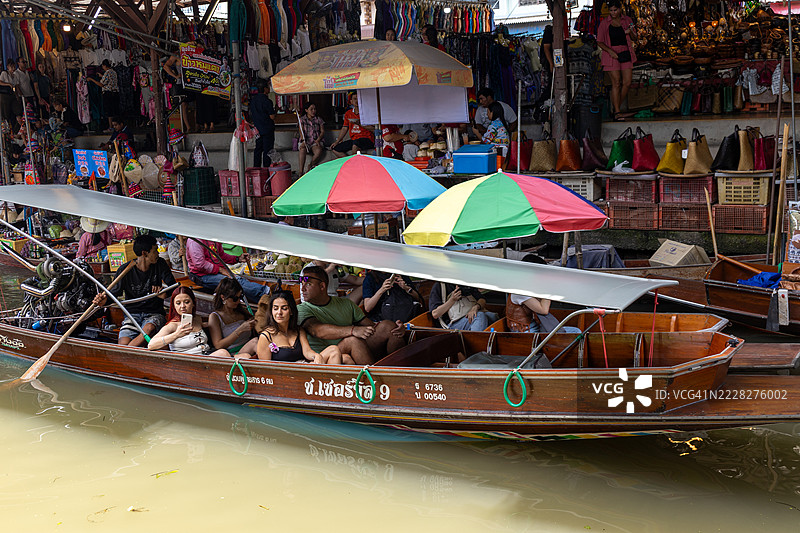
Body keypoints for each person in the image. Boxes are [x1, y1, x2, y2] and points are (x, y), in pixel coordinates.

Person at [297, 265, 405, 365]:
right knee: (353, 341)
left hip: (355, 349)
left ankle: (399, 372)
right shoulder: (302, 309)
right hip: (325, 356)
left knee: (388, 327)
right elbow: (317, 331)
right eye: (302, 284)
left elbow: (371, 327)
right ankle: (375, 377)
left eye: (308, 284)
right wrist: (353, 330)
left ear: (322, 286)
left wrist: (398, 328)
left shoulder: (346, 304)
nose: (302, 289)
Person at [92, 234, 177, 346]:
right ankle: (126, 350)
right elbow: (113, 294)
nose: (158, 253)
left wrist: (164, 293)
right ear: (144, 253)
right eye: (155, 250)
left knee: (149, 329)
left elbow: (173, 286)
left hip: (154, 314)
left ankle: (127, 351)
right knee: (123, 343)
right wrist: (104, 301)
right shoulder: (125, 270)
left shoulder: (160, 264)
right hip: (132, 315)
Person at [255, 291, 349, 364]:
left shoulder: (298, 330)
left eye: (284, 308)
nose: (279, 312)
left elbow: (307, 352)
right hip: (284, 376)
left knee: (334, 350)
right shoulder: (266, 336)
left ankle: (331, 383)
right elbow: (266, 370)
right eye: (275, 308)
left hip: (302, 368)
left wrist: (316, 356)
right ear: (271, 311)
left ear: (291, 311)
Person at [147, 287, 231, 357]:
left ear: (193, 302)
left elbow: (207, 325)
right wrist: (176, 334)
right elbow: (151, 345)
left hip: (206, 356)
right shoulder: (173, 325)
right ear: (174, 306)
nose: (182, 306)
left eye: (186, 302)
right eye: (178, 303)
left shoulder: (197, 319)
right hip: (188, 363)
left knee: (235, 355)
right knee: (223, 353)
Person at [185, 238, 270, 303]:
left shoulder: (213, 238)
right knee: (234, 282)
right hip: (202, 276)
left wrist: (237, 259)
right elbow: (200, 264)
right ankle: (267, 292)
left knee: (240, 281)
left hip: (216, 272)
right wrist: (220, 270)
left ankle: (262, 301)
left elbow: (221, 256)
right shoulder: (195, 241)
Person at [597, 0, 637, 121]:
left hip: (625, 52)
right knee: (616, 82)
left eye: (615, 10)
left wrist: (630, 32)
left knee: (627, 82)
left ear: (620, 9)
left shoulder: (627, 20)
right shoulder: (604, 23)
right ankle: (618, 112)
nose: (613, 13)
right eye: (611, 10)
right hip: (611, 54)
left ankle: (615, 109)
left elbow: (635, 37)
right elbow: (599, 41)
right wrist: (610, 51)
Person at [207, 277, 257, 357]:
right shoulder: (215, 317)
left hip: (249, 347)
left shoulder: (241, 311)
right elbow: (218, 345)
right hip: (231, 354)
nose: (238, 301)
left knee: (257, 341)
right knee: (254, 343)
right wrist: (240, 330)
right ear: (223, 297)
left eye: (240, 297)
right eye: (235, 298)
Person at [428, 282, 498, 331]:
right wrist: (452, 300)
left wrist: (476, 307)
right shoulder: (440, 286)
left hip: (468, 315)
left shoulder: (464, 283)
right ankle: (477, 345)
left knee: (493, 316)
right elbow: (435, 314)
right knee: (479, 316)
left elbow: (482, 299)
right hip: (452, 324)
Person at [331, 92, 374, 157]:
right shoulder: (348, 113)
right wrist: (337, 141)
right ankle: (349, 161)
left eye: (359, 99)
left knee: (355, 145)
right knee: (335, 149)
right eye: (355, 99)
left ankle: (354, 162)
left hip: (367, 139)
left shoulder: (367, 112)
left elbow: (373, 128)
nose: (357, 101)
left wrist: (359, 124)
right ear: (351, 101)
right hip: (354, 139)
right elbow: (345, 128)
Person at [162, 54, 192, 132]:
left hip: (192, 82)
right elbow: (165, 66)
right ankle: (188, 127)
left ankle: (196, 126)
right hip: (181, 83)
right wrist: (175, 76)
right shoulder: (177, 55)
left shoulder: (192, 52)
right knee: (184, 104)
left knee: (193, 105)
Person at [250, 80, 276, 167]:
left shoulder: (253, 101)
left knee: (258, 149)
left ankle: (256, 168)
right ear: (265, 89)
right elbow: (272, 116)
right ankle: (266, 168)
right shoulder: (267, 101)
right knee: (267, 150)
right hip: (267, 129)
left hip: (257, 128)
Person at [89, 59, 119, 131]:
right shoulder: (113, 72)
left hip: (108, 94)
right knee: (114, 111)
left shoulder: (107, 72)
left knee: (109, 111)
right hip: (115, 93)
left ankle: (111, 127)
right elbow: (109, 80)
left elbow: (101, 84)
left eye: (103, 66)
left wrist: (91, 79)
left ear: (105, 65)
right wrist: (102, 76)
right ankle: (116, 126)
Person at [297, 101, 325, 174]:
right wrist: (303, 141)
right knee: (302, 150)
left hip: (315, 141)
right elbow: (301, 131)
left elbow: (322, 131)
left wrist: (318, 140)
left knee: (318, 151)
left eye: (314, 109)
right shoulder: (302, 119)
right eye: (311, 109)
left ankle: (310, 165)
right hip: (306, 140)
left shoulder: (318, 119)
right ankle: (301, 172)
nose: (313, 111)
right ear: (306, 110)